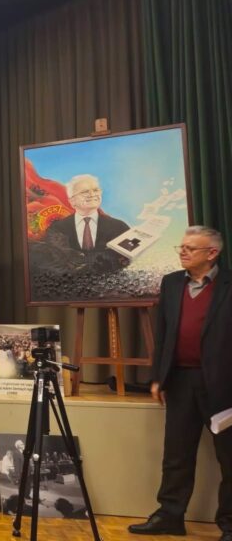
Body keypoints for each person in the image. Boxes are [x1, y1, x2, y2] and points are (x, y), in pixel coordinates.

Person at [129, 226, 232, 539]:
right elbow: (163, 333)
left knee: (229, 458)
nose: (183, 252)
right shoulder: (172, 282)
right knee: (176, 456)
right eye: (182, 247)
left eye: (190, 248)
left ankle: (229, 524)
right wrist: (158, 377)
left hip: (223, 386)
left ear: (212, 253)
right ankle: (170, 516)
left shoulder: (228, 284)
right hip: (180, 381)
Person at [38, 174, 130, 273]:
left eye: (96, 190)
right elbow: (57, 261)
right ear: (72, 201)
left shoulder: (119, 227)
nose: (92, 194)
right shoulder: (57, 228)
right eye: (85, 192)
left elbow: (127, 260)